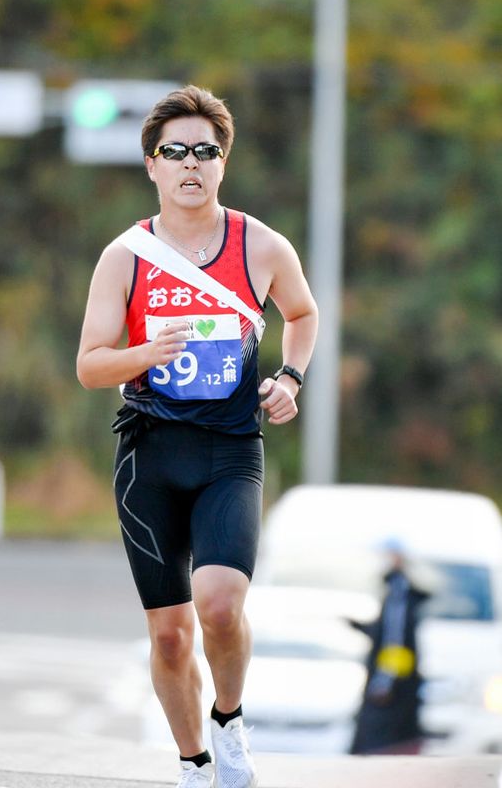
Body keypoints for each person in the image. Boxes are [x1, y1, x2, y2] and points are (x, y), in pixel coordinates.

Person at [76, 85, 317, 788]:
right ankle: (192, 763)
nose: (191, 163)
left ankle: (230, 718)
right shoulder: (125, 256)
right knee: (171, 632)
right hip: (149, 452)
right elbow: (90, 365)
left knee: (219, 605)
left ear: (223, 163)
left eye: (205, 151)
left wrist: (290, 379)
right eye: (174, 151)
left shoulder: (260, 245)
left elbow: (303, 314)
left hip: (229, 451)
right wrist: (144, 356)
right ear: (151, 165)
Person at [348, 540, 430, 755]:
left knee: (381, 749)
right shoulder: (398, 589)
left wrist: (385, 681)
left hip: (394, 690)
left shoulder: (398, 591)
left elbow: (395, 640)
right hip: (400, 686)